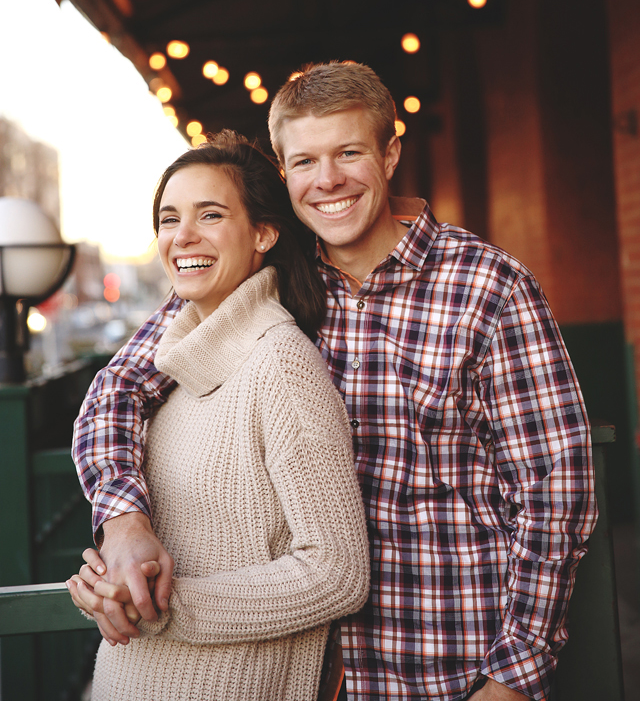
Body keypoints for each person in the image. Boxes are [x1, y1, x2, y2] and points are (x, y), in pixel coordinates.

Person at [71, 63, 596, 701]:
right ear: (283, 171)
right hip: (301, 672)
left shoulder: (488, 288)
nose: (328, 180)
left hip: (446, 664)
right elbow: (116, 393)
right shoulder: (262, 279)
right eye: (304, 161)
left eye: (349, 153)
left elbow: (555, 488)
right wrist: (124, 522)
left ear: (390, 154)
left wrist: (515, 675)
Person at [68, 131, 370, 701]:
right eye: (169, 219)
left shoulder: (281, 363)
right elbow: (113, 399)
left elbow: (338, 573)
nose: (182, 236)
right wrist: (107, 579)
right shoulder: (171, 363)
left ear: (263, 233)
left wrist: (158, 603)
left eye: (210, 214)